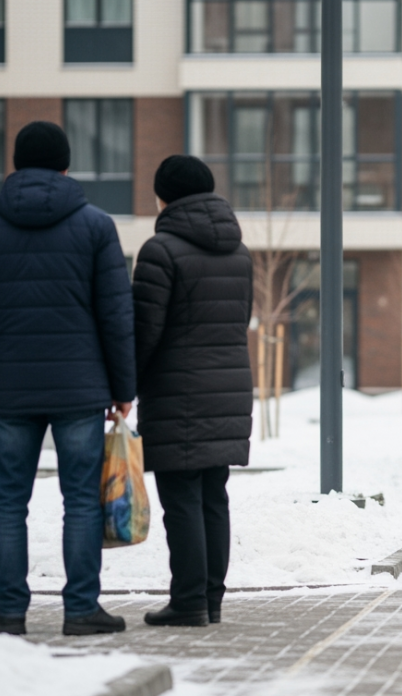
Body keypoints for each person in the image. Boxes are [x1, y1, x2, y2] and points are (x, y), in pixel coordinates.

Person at [0, 121, 136, 636]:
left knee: (8, 500)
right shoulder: (96, 225)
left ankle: (10, 613)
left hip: (10, 388)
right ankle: (80, 609)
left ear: (15, 163)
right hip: (80, 387)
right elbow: (116, 314)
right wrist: (123, 388)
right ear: (66, 165)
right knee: (80, 499)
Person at [132, 155, 252, 627]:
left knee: (181, 500)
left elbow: (144, 331)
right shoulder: (240, 253)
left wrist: (125, 384)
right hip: (227, 392)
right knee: (213, 497)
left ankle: (187, 602)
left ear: (163, 197)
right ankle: (211, 600)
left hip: (175, 395)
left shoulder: (160, 250)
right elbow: (238, 322)